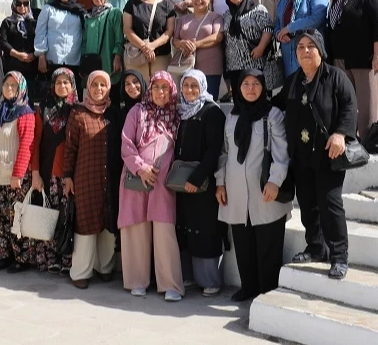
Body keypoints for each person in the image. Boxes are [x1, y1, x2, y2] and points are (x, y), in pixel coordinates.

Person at [273, 29, 356, 280]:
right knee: (308, 204)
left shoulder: (336, 77)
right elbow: (277, 104)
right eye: (300, 47)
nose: (305, 51)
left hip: (328, 154)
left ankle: (339, 255)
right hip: (301, 155)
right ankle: (316, 247)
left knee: (330, 205)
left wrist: (341, 134)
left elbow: (350, 107)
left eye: (311, 46)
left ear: (320, 50)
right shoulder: (293, 80)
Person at [216, 69, 293, 300]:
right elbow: (224, 153)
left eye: (256, 84)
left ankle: (267, 291)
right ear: (238, 88)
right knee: (243, 243)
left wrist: (274, 182)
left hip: (265, 192)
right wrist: (220, 183)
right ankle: (248, 287)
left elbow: (282, 153)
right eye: (246, 84)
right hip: (236, 194)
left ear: (263, 87)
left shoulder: (274, 115)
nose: (250, 88)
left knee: (269, 243)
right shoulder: (232, 117)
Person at [119, 71, 184, 301]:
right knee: (136, 229)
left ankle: (171, 285)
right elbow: (127, 145)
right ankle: (137, 281)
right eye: (156, 87)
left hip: (163, 183)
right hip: (137, 178)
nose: (160, 92)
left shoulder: (177, 115)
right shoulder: (137, 112)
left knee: (165, 231)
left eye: (165, 88)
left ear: (171, 91)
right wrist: (141, 168)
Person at [64, 71, 120, 289]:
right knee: (86, 224)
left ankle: (105, 268)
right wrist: (68, 177)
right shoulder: (78, 113)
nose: (98, 89)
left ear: (108, 88)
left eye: (103, 85)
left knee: (107, 222)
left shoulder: (113, 114)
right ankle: (80, 272)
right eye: (94, 85)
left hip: (110, 177)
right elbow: (70, 148)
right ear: (88, 87)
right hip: (85, 176)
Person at [174, 70, 227, 297]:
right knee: (184, 228)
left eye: (195, 86)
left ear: (203, 87)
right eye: (186, 86)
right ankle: (187, 276)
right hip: (181, 183)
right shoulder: (181, 111)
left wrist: (197, 178)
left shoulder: (212, 112)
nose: (190, 91)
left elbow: (215, 149)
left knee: (205, 229)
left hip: (202, 183)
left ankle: (210, 280)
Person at [328, 0, 378, 138]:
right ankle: (349, 138)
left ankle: (370, 141)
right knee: (346, 102)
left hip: (365, 59)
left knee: (368, 104)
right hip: (341, 59)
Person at [0, 72, 35, 273]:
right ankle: (4, 256)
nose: (8, 89)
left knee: (16, 217)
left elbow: (26, 146)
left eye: (13, 86)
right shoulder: (1, 111)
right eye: (6, 85)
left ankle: (21, 259)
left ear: (21, 88)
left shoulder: (25, 113)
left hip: (15, 176)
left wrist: (18, 174)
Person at [30, 68, 78, 273]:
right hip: (48, 172)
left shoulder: (78, 109)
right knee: (48, 216)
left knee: (67, 217)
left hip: (69, 174)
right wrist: (35, 173)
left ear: (73, 85)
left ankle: (67, 258)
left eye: (67, 82)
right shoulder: (43, 109)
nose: (62, 86)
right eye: (58, 82)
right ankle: (51, 259)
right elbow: (36, 141)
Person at [274, 0, 330, 77]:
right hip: (288, 53)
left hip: (309, 50)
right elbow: (277, 24)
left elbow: (317, 18)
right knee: (293, 89)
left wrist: (289, 28)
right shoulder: (283, 1)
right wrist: (279, 34)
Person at [222, 0, 273, 99]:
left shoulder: (258, 9)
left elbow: (268, 29)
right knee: (239, 100)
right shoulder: (227, 14)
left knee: (258, 97)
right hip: (234, 65)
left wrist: (261, 47)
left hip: (255, 62)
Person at [123, 0, 176, 82]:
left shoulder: (167, 6)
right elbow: (127, 29)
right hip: (136, 55)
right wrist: (144, 47)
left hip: (161, 56)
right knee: (139, 91)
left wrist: (152, 46)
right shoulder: (131, 4)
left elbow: (169, 31)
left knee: (160, 89)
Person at [171, 0, 224, 98]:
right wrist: (182, 44)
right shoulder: (183, 19)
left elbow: (218, 37)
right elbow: (175, 40)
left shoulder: (216, 17)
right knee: (188, 101)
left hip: (210, 67)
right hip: (186, 67)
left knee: (208, 102)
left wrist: (195, 44)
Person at [34, 0, 86, 86]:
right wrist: (41, 55)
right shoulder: (48, 9)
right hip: (53, 59)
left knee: (72, 95)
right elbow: (40, 32)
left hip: (74, 60)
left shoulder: (79, 11)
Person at [82, 0, 124, 85]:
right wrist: (83, 62)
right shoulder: (88, 17)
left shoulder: (114, 13)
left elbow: (119, 37)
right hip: (92, 63)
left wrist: (117, 57)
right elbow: (84, 41)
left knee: (111, 91)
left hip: (109, 61)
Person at [0, 0, 38, 99]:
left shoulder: (34, 23)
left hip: (30, 66)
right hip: (12, 65)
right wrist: (18, 55)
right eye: (19, 3)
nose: (22, 6)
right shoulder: (7, 22)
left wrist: (33, 55)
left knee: (29, 98)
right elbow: (3, 42)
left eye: (25, 4)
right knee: (12, 96)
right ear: (14, 5)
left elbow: (39, 40)